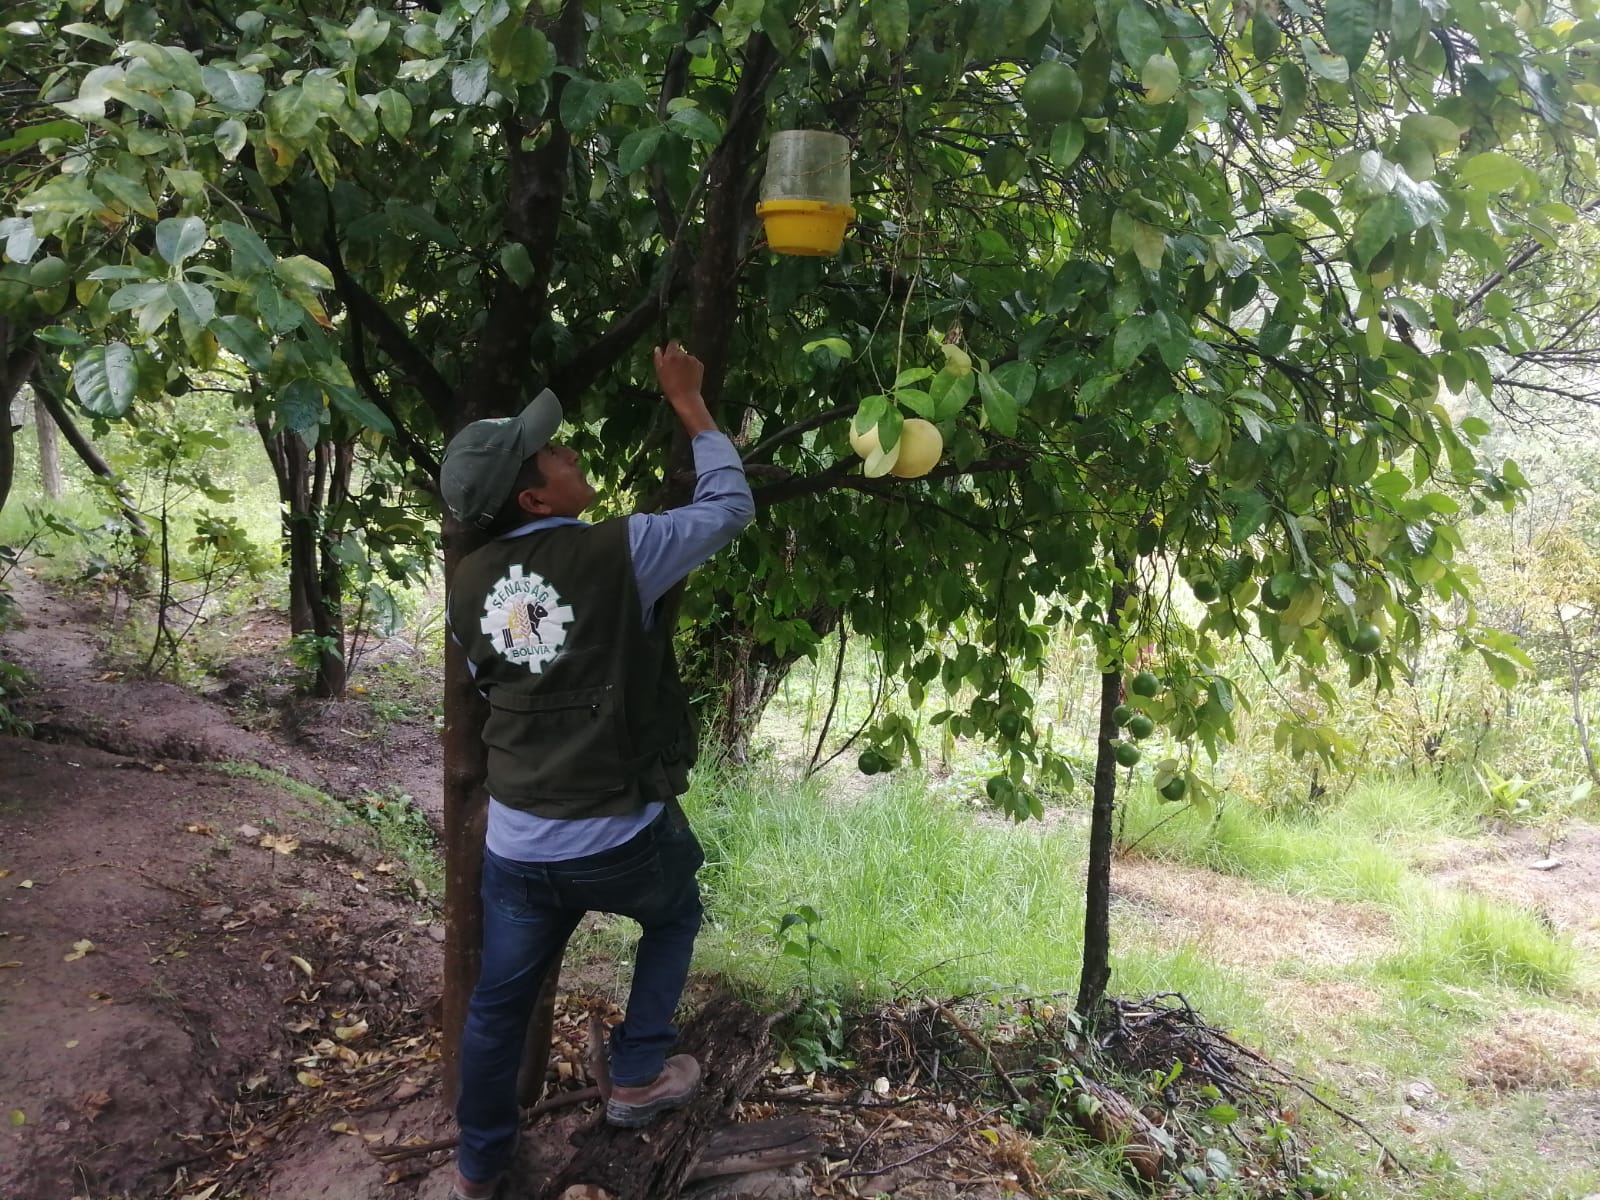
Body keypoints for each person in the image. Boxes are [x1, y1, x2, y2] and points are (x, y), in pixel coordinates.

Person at [439, 342, 755, 1200]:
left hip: (519, 842)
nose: (569, 452)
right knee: (676, 907)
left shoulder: (468, 583)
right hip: (614, 828)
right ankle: (638, 1072)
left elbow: (488, 677)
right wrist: (689, 402)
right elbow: (729, 507)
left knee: (497, 1005)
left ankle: (478, 1163)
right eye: (552, 454)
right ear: (535, 496)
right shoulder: (623, 552)